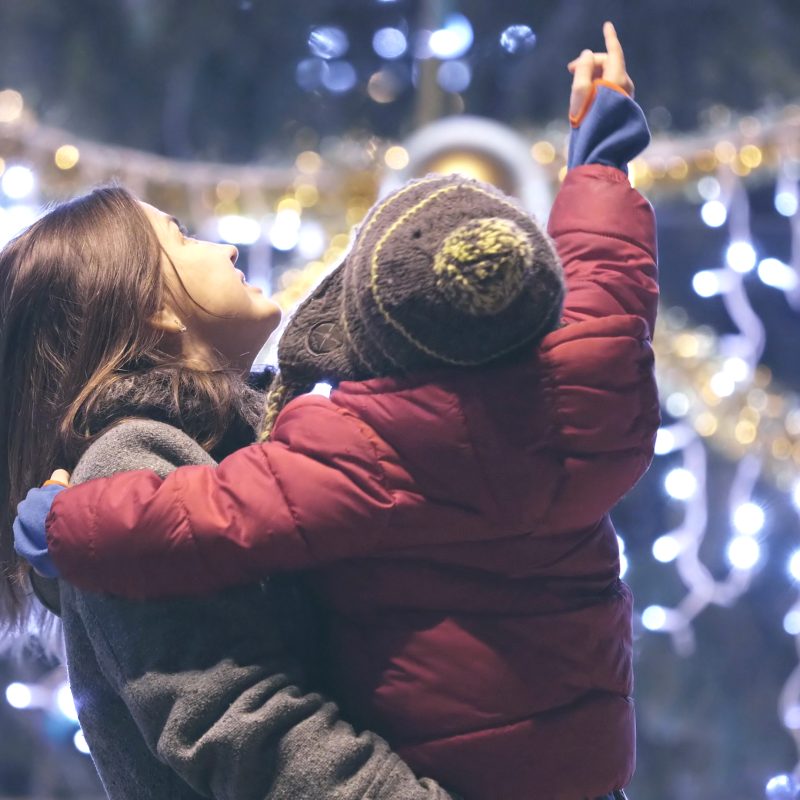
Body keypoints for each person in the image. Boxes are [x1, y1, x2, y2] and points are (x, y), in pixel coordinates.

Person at [12, 22, 654, 800]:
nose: (222, 247)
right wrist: (600, 167)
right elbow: (243, 728)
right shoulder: (131, 458)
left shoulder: (288, 438)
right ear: (150, 312)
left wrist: (64, 524)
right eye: (181, 238)